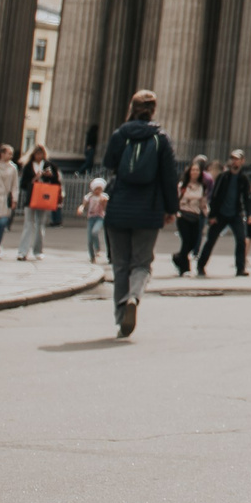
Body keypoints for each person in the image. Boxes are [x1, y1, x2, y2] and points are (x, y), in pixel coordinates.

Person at [97, 89, 178, 338]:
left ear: (131, 107)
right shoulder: (160, 139)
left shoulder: (121, 134)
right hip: (148, 209)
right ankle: (134, 297)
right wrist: (171, 209)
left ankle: (121, 317)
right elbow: (169, 177)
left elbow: (108, 163)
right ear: (153, 110)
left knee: (120, 265)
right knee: (142, 264)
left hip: (119, 207)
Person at [201, 149, 251, 277]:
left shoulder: (243, 178)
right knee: (211, 240)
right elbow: (215, 196)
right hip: (220, 214)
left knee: (241, 240)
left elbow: (246, 198)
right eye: (233, 159)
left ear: (242, 161)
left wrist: (249, 214)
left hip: (235, 214)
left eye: (237, 159)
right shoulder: (223, 176)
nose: (234, 161)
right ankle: (200, 265)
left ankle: (240, 268)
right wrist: (212, 215)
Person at [14, 144, 59, 261]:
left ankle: (38, 250)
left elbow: (56, 183)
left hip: (44, 198)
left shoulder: (50, 166)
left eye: (41, 154)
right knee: (28, 224)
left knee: (40, 225)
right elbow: (23, 184)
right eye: (37, 153)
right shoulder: (28, 166)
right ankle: (23, 251)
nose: (39, 156)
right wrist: (34, 179)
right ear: (33, 154)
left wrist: (50, 177)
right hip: (31, 199)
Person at [172, 160, 209, 276]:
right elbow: (179, 198)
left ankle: (178, 257)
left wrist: (207, 212)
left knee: (193, 243)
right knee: (186, 241)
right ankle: (185, 268)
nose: (195, 172)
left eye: (197, 170)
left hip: (196, 216)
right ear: (189, 171)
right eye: (193, 170)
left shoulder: (202, 186)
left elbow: (203, 201)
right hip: (183, 215)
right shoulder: (183, 185)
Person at [82, 177, 109, 263]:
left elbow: (105, 208)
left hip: (100, 217)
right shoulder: (89, 196)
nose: (98, 191)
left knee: (95, 232)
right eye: (96, 189)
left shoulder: (104, 197)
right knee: (90, 239)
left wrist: (103, 203)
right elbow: (84, 205)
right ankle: (92, 257)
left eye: (100, 189)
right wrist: (81, 208)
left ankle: (97, 248)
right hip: (91, 218)